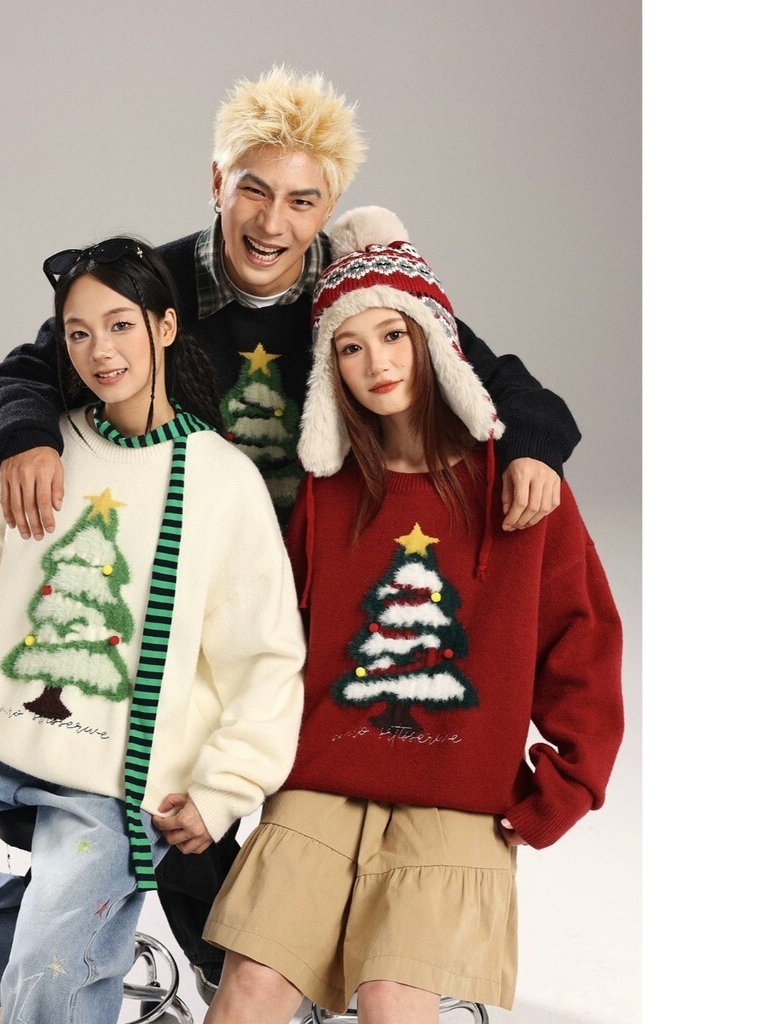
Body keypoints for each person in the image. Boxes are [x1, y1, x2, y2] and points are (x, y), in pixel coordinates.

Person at [0, 66, 584, 990]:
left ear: (328, 208)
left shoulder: (351, 291)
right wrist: (26, 438)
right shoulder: (156, 281)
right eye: (253, 191)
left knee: (280, 771)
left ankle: (301, 958)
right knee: (165, 773)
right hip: (182, 568)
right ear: (216, 182)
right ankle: (216, 967)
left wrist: (535, 448)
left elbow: (484, 373)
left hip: (316, 577)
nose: (272, 223)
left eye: (302, 201)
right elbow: (32, 366)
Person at [200, 207, 625, 1023]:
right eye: (349, 348)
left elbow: (583, 639)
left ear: (432, 338)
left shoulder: (522, 482)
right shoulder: (328, 491)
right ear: (331, 371)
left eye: (393, 335)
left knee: (395, 1001)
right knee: (249, 986)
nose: (377, 364)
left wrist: (566, 785)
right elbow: (277, 636)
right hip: (323, 783)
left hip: (459, 795)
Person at [0, 237, 306, 1023]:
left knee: (49, 979)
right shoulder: (41, 455)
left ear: (165, 327)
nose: (100, 350)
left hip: (115, 784)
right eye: (79, 333)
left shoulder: (221, 481)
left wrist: (225, 787)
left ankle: (59, 963)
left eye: (119, 325)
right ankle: (52, 958)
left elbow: (265, 659)